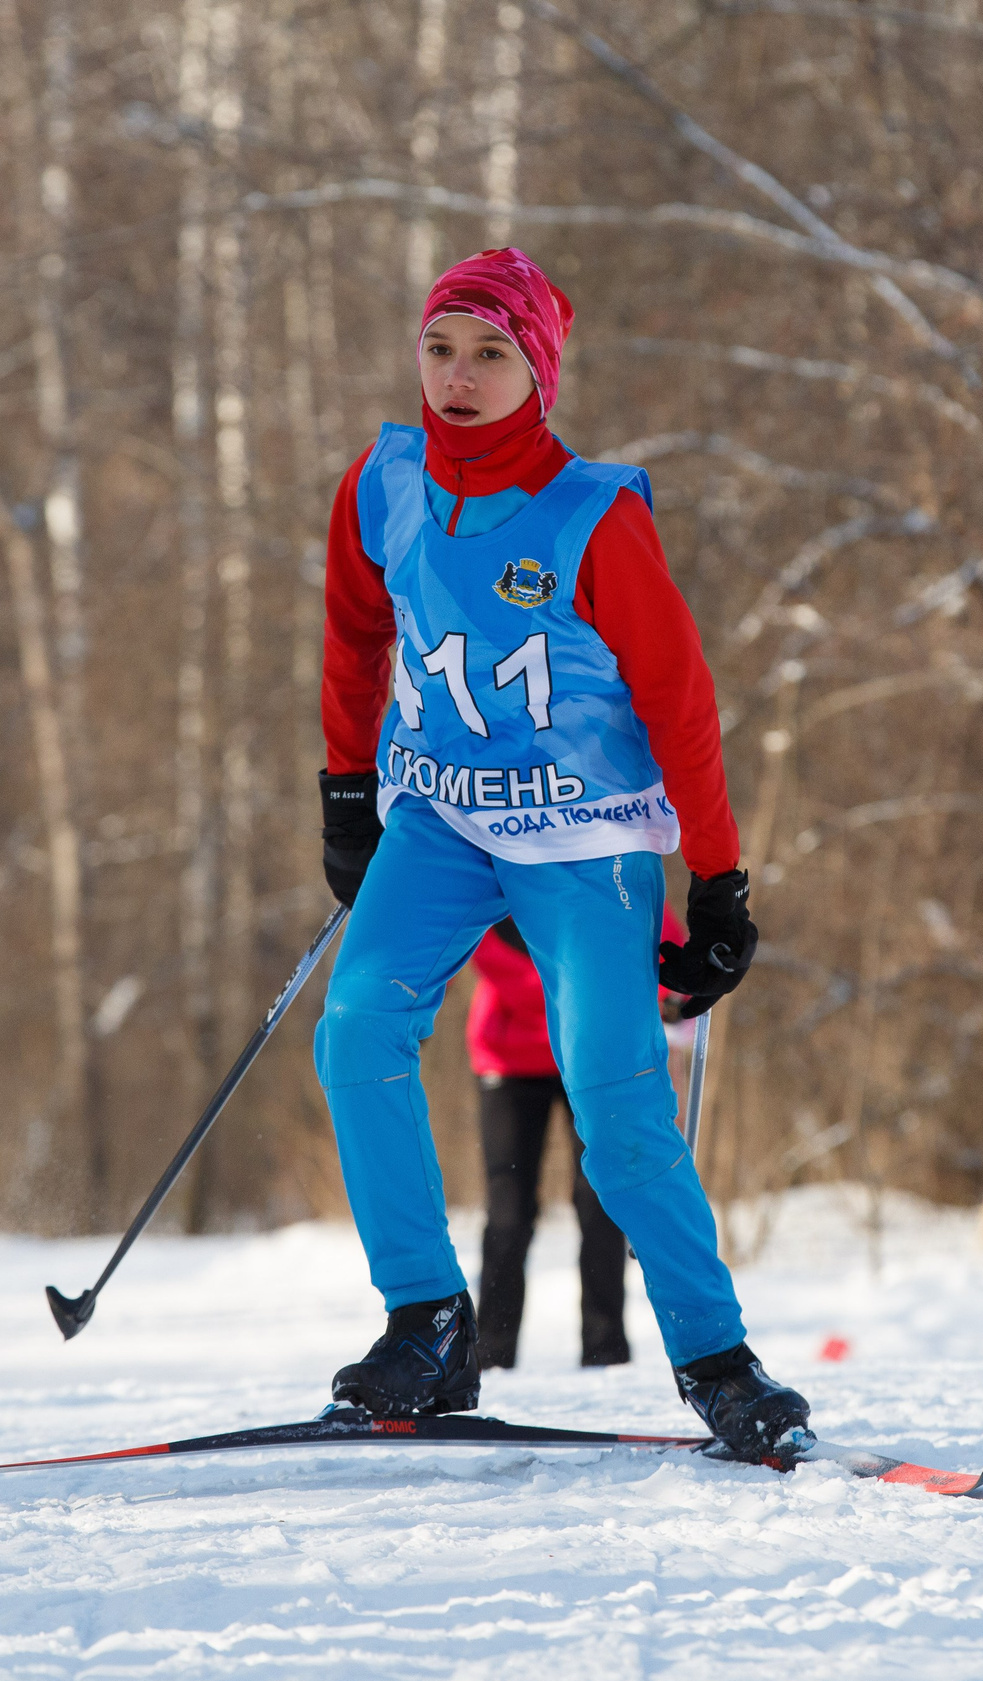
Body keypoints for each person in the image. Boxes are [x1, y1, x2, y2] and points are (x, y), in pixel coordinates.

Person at [311, 245, 810, 1460]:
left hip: (583, 836)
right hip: (439, 817)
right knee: (357, 1024)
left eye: (490, 354)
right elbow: (354, 630)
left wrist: (720, 873)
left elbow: (679, 699)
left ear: (537, 370)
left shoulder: (593, 514)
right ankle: (428, 1322)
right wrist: (343, 787)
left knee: (611, 1098)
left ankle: (717, 1361)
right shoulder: (382, 484)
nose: (458, 378)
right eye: (439, 349)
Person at [466, 904, 681, 1371]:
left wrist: (666, 990)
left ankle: (605, 1349)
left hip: (592, 1054)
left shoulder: (593, 852)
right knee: (508, 1208)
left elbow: (657, 927)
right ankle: (489, 1354)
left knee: (600, 1199)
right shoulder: (495, 862)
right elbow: (458, 938)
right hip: (509, 1059)